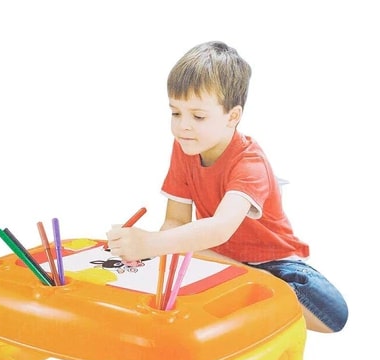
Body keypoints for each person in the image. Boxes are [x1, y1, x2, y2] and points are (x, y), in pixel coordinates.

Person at [106, 41, 348, 333]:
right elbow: (176, 221)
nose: (182, 126)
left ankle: (250, 287)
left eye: (198, 116)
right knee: (179, 259)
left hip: (272, 263)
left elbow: (221, 227)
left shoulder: (250, 162)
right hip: (215, 255)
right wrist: (148, 251)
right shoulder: (185, 146)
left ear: (232, 117)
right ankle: (243, 290)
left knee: (333, 313)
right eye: (175, 113)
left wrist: (151, 244)